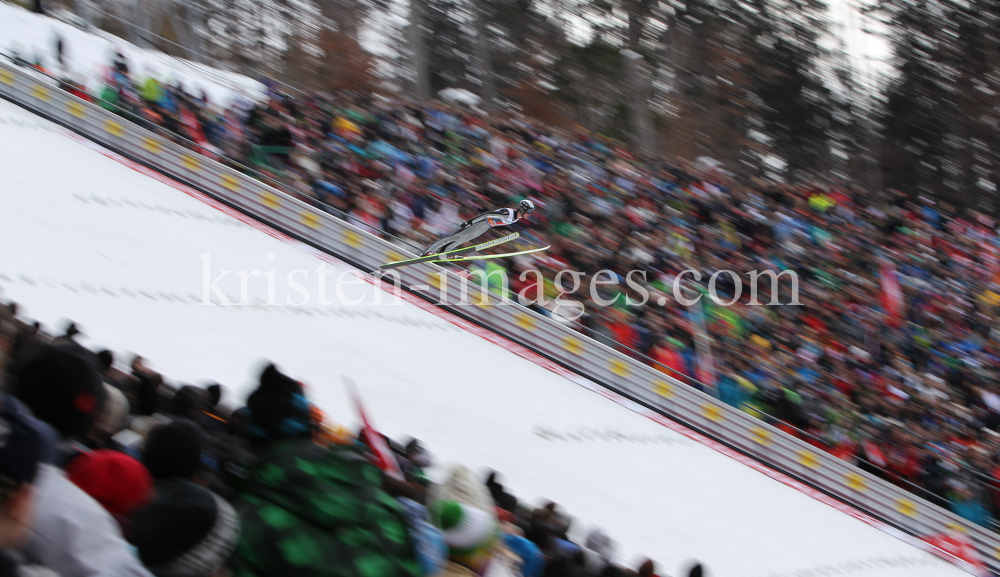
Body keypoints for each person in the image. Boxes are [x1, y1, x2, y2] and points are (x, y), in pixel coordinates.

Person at [421, 199, 534, 256]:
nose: (529, 214)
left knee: (464, 239)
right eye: (529, 211)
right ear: (523, 208)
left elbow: (498, 223)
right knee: (456, 236)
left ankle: (446, 251)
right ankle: (430, 249)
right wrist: (470, 222)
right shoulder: (508, 213)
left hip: (486, 226)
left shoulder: (516, 218)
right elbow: (486, 214)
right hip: (481, 223)